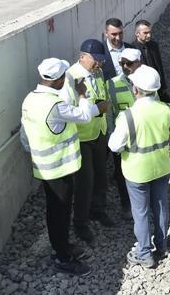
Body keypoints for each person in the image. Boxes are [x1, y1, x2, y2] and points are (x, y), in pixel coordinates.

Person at [20, 58, 97, 276]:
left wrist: (34, 151)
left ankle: (62, 246)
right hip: (59, 169)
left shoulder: (29, 99)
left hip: (44, 168)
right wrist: (82, 94)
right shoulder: (55, 105)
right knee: (60, 214)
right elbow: (84, 115)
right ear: (58, 79)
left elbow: (24, 135)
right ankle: (62, 257)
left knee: (56, 211)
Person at [108, 65, 170, 268]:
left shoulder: (128, 116)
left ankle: (144, 253)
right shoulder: (168, 110)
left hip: (137, 171)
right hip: (162, 166)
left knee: (141, 211)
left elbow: (114, 146)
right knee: (161, 205)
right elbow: (169, 133)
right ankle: (162, 245)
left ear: (135, 89)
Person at [62, 39, 113, 242]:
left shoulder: (97, 73)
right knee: (85, 182)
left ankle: (97, 210)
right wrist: (95, 109)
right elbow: (69, 110)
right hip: (81, 137)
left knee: (101, 176)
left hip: (98, 132)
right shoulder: (70, 78)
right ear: (82, 56)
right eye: (95, 60)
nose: (99, 64)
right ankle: (81, 223)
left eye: (101, 61)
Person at [106, 48, 143, 220]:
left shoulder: (147, 81)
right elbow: (109, 115)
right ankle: (126, 205)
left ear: (139, 63)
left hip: (143, 137)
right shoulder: (111, 84)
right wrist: (112, 138)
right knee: (122, 173)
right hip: (122, 138)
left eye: (129, 63)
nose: (125, 67)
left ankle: (142, 204)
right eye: (122, 63)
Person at [131, 19, 170, 104]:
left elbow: (159, 66)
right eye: (145, 33)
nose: (149, 35)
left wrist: (163, 86)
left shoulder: (154, 45)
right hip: (144, 90)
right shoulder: (133, 49)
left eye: (150, 32)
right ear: (137, 34)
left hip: (158, 87)